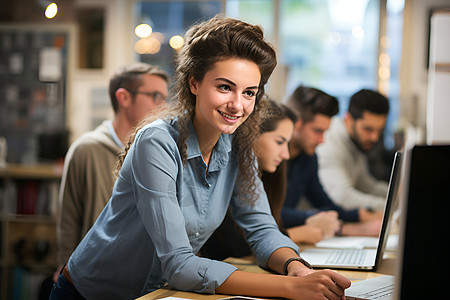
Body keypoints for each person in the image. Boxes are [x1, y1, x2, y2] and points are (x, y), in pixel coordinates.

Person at [50, 15, 350, 300]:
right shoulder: (157, 142)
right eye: (224, 87)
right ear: (194, 83)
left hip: (154, 294)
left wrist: (297, 269)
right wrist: (288, 288)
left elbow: (261, 227)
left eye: (249, 93)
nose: (237, 105)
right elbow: (179, 265)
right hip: (89, 294)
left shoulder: (238, 145)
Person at [56, 63, 169, 278]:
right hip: (93, 276)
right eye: (155, 96)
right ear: (124, 98)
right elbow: (69, 221)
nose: (163, 106)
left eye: (165, 97)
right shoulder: (86, 149)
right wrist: (66, 272)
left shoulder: (158, 152)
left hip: (143, 277)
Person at [201, 99, 335, 261]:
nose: (286, 154)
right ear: (252, 136)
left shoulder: (269, 177)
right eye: (279, 142)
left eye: (287, 143)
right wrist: (297, 234)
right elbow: (234, 247)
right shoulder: (225, 173)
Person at [284, 86, 382, 237]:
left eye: (325, 132)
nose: (322, 140)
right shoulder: (271, 157)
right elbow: (266, 214)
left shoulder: (308, 158)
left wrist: (359, 215)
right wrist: (312, 217)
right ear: (296, 122)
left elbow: (325, 204)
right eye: (318, 131)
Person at [316, 88, 390, 211]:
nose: (375, 138)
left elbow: (366, 186)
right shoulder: (328, 140)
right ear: (349, 120)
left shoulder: (356, 142)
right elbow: (341, 197)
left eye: (379, 130)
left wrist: (398, 195)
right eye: (368, 129)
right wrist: (388, 208)